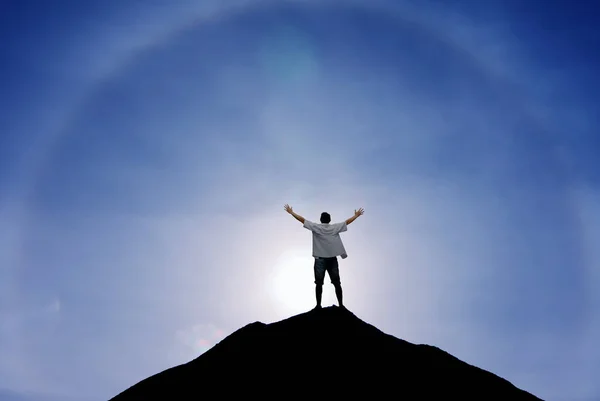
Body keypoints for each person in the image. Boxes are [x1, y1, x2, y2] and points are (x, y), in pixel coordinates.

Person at [283, 204, 365, 310]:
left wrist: (291, 212)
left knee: (319, 283)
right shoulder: (334, 227)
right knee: (336, 283)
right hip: (332, 259)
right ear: (329, 220)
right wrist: (356, 215)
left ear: (321, 220)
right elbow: (347, 222)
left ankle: (318, 305)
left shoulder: (316, 227)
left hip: (320, 259)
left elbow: (302, 220)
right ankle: (341, 305)